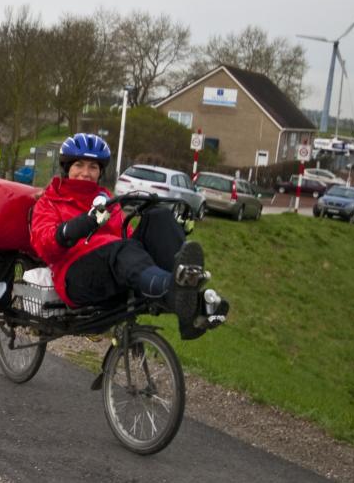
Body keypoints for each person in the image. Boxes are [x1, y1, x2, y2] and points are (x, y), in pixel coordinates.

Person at [29, 132, 227, 339]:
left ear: (100, 172)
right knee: (120, 248)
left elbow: (127, 238)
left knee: (159, 217)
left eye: (93, 167)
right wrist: (75, 227)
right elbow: (44, 246)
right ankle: (171, 289)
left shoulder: (107, 201)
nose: (85, 173)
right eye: (79, 164)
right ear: (67, 167)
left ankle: (187, 308)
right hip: (75, 277)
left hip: (113, 266)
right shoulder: (50, 201)